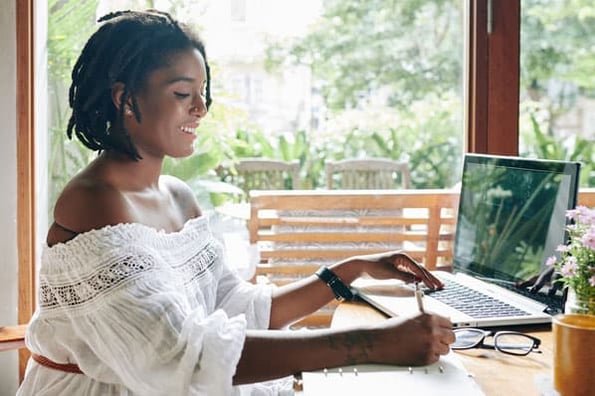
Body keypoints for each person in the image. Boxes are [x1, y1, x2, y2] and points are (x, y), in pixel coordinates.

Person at [17, 10, 454, 396]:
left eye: (203, 92)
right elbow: (178, 355)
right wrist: (370, 343)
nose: (202, 108)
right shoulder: (94, 204)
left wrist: (350, 269)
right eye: (183, 93)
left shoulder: (177, 197)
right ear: (124, 98)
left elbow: (234, 307)